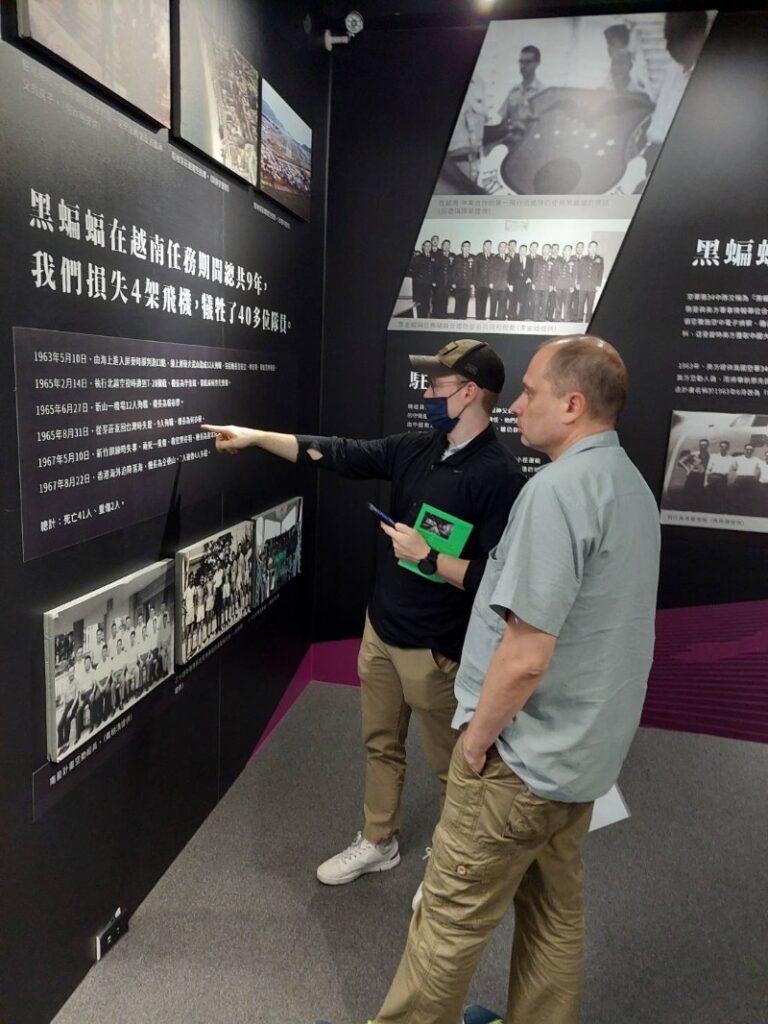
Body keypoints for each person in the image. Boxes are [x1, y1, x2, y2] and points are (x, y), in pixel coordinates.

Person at [367, 335, 660, 1024]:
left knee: (447, 921)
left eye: (530, 392)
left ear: (573, 404)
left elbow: (526, 654)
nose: (517, 406)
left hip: (518, 765)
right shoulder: (630, 486)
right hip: (582, 762)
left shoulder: (556, 492)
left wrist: (475, 745)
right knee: (554, 917)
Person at [202, 340, 525, 886]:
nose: (425, 394)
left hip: (436, 650)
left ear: (470, 393)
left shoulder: (499, 476)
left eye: (437, 386)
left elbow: (495, 581)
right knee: (380, 744)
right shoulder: (417, 448)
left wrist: (429, 558)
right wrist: (256, 438)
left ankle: (455, 858)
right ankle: (379, 840)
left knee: (456, 767)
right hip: (381, 632)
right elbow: (337, 451)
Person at [450, 241, 474, 319]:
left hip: (468, 285)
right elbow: (453, 270)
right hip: (458, 284)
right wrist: (453, 282)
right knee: (458, 303)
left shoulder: (473, 258)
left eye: (468, 246)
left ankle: (463, 318)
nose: (466, 248)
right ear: (461, 248)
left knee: (465, 303)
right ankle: (457, 319)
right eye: (464, 246)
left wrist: (473, 283)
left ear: (470, 248)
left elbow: (475, 271)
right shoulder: (457, 257)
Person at [473, 240, 494, 320]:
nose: (487, 247)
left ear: (491, 247)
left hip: (488, 284)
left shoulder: (493, 256)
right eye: (486, 245)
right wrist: (474, 284)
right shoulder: (478, 256)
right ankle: (478, 318)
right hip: (479, 284)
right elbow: (475, 270)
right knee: (478, 302)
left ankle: (483, 318)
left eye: (489, 246)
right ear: (483, 246)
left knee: (484, 301)